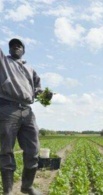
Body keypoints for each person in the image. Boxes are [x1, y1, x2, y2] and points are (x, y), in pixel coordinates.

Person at [0, 38, 53, 195]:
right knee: (6, 150)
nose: (15, 47)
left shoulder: (30, 69)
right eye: (12, 46)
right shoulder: (3, 62)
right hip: (8, 108)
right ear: (8, 50)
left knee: (33, 149)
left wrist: (45, 95)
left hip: (27, 111)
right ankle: (8, 191)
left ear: (23, 50)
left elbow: (38, 89)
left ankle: (27, 186)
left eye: (19, 45)